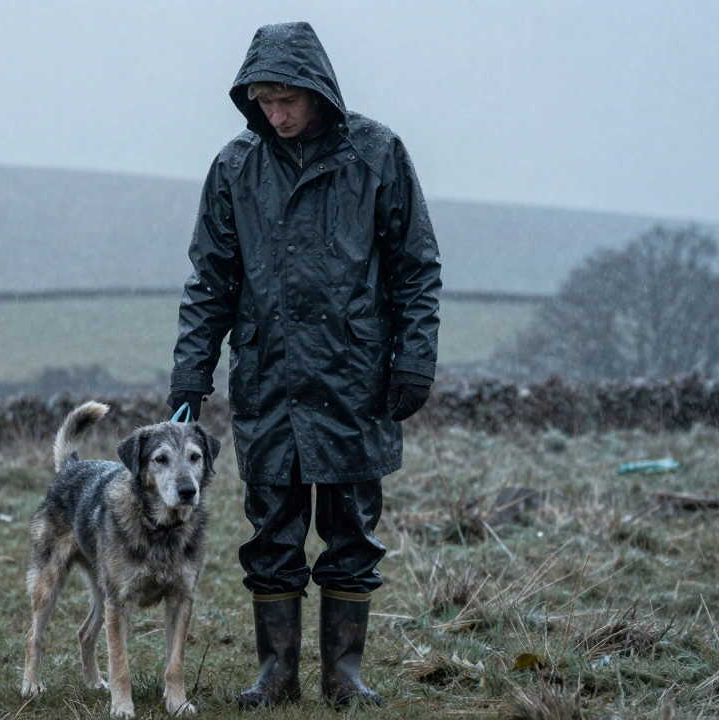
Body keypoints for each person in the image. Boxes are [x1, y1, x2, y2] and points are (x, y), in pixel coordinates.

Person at [167, 22, 441, 710]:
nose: (277, 114)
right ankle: (277, 674)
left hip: (355, 381)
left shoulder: (377, 155)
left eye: (287, 99)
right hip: (268, 382)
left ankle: (344, 676)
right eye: (263, 101)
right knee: (271, 532)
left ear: (317, 91)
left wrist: (415, 358)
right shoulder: (235, 168)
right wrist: (190, 377)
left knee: (352, 530)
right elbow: (211, 281)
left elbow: (416, 266)